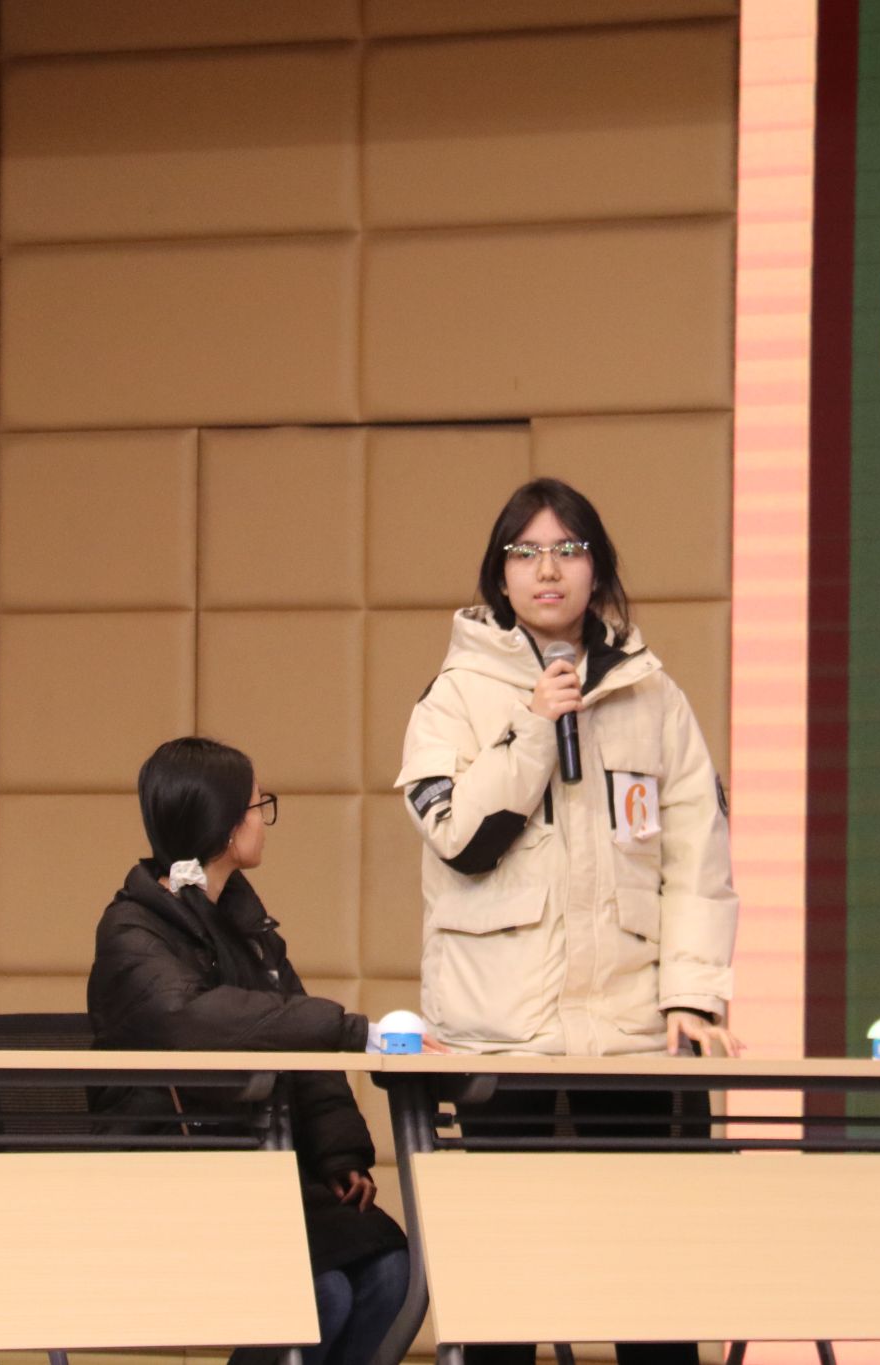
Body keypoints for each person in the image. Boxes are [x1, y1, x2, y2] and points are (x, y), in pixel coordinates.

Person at [395, 478, 739, 1365]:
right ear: (500, 573)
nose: (548, 569)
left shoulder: (652, 693)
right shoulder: (454, 696)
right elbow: (459, 838)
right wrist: (534, 729)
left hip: (631, 1031)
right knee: (507, 1290)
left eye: (568, 550)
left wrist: (692, 993)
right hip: (503, 1032)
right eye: (527, 552)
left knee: (651, 1288)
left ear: (598, 567)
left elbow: (697, 857)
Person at [88, 737, 409, 1365]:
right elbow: (189, 1019)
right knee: (322, 1295)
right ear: (225, 825)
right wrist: (348, 1028)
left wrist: (339, 1153)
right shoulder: (131, 928)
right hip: (175, 1172)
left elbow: (293, 1034)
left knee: (390, 1270)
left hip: (260, 1167)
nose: (264, 819)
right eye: (258, 805)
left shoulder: (247, 924)